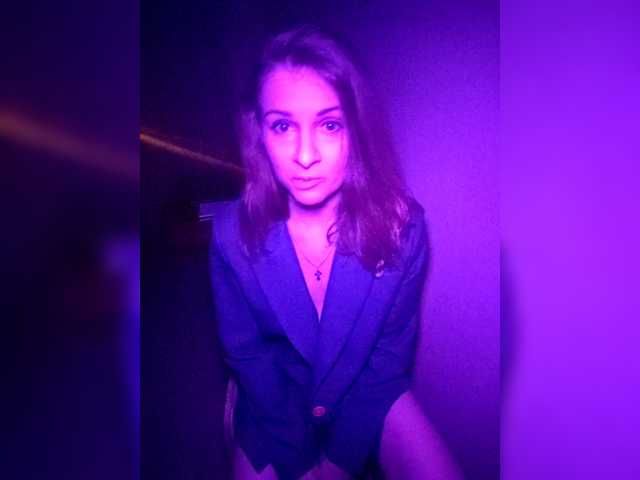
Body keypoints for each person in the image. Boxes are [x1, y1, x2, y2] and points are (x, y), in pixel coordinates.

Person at [210, 26, 461, 480]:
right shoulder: (230, 234)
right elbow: (247, 356)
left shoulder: (404, 229)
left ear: (356, 129)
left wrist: (341, 460)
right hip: (273, 400)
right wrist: (298, 460)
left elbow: (388, 358)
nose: (305, 155)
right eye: (283, 126)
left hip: (367, 390)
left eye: (329, 125)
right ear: (260, 133)